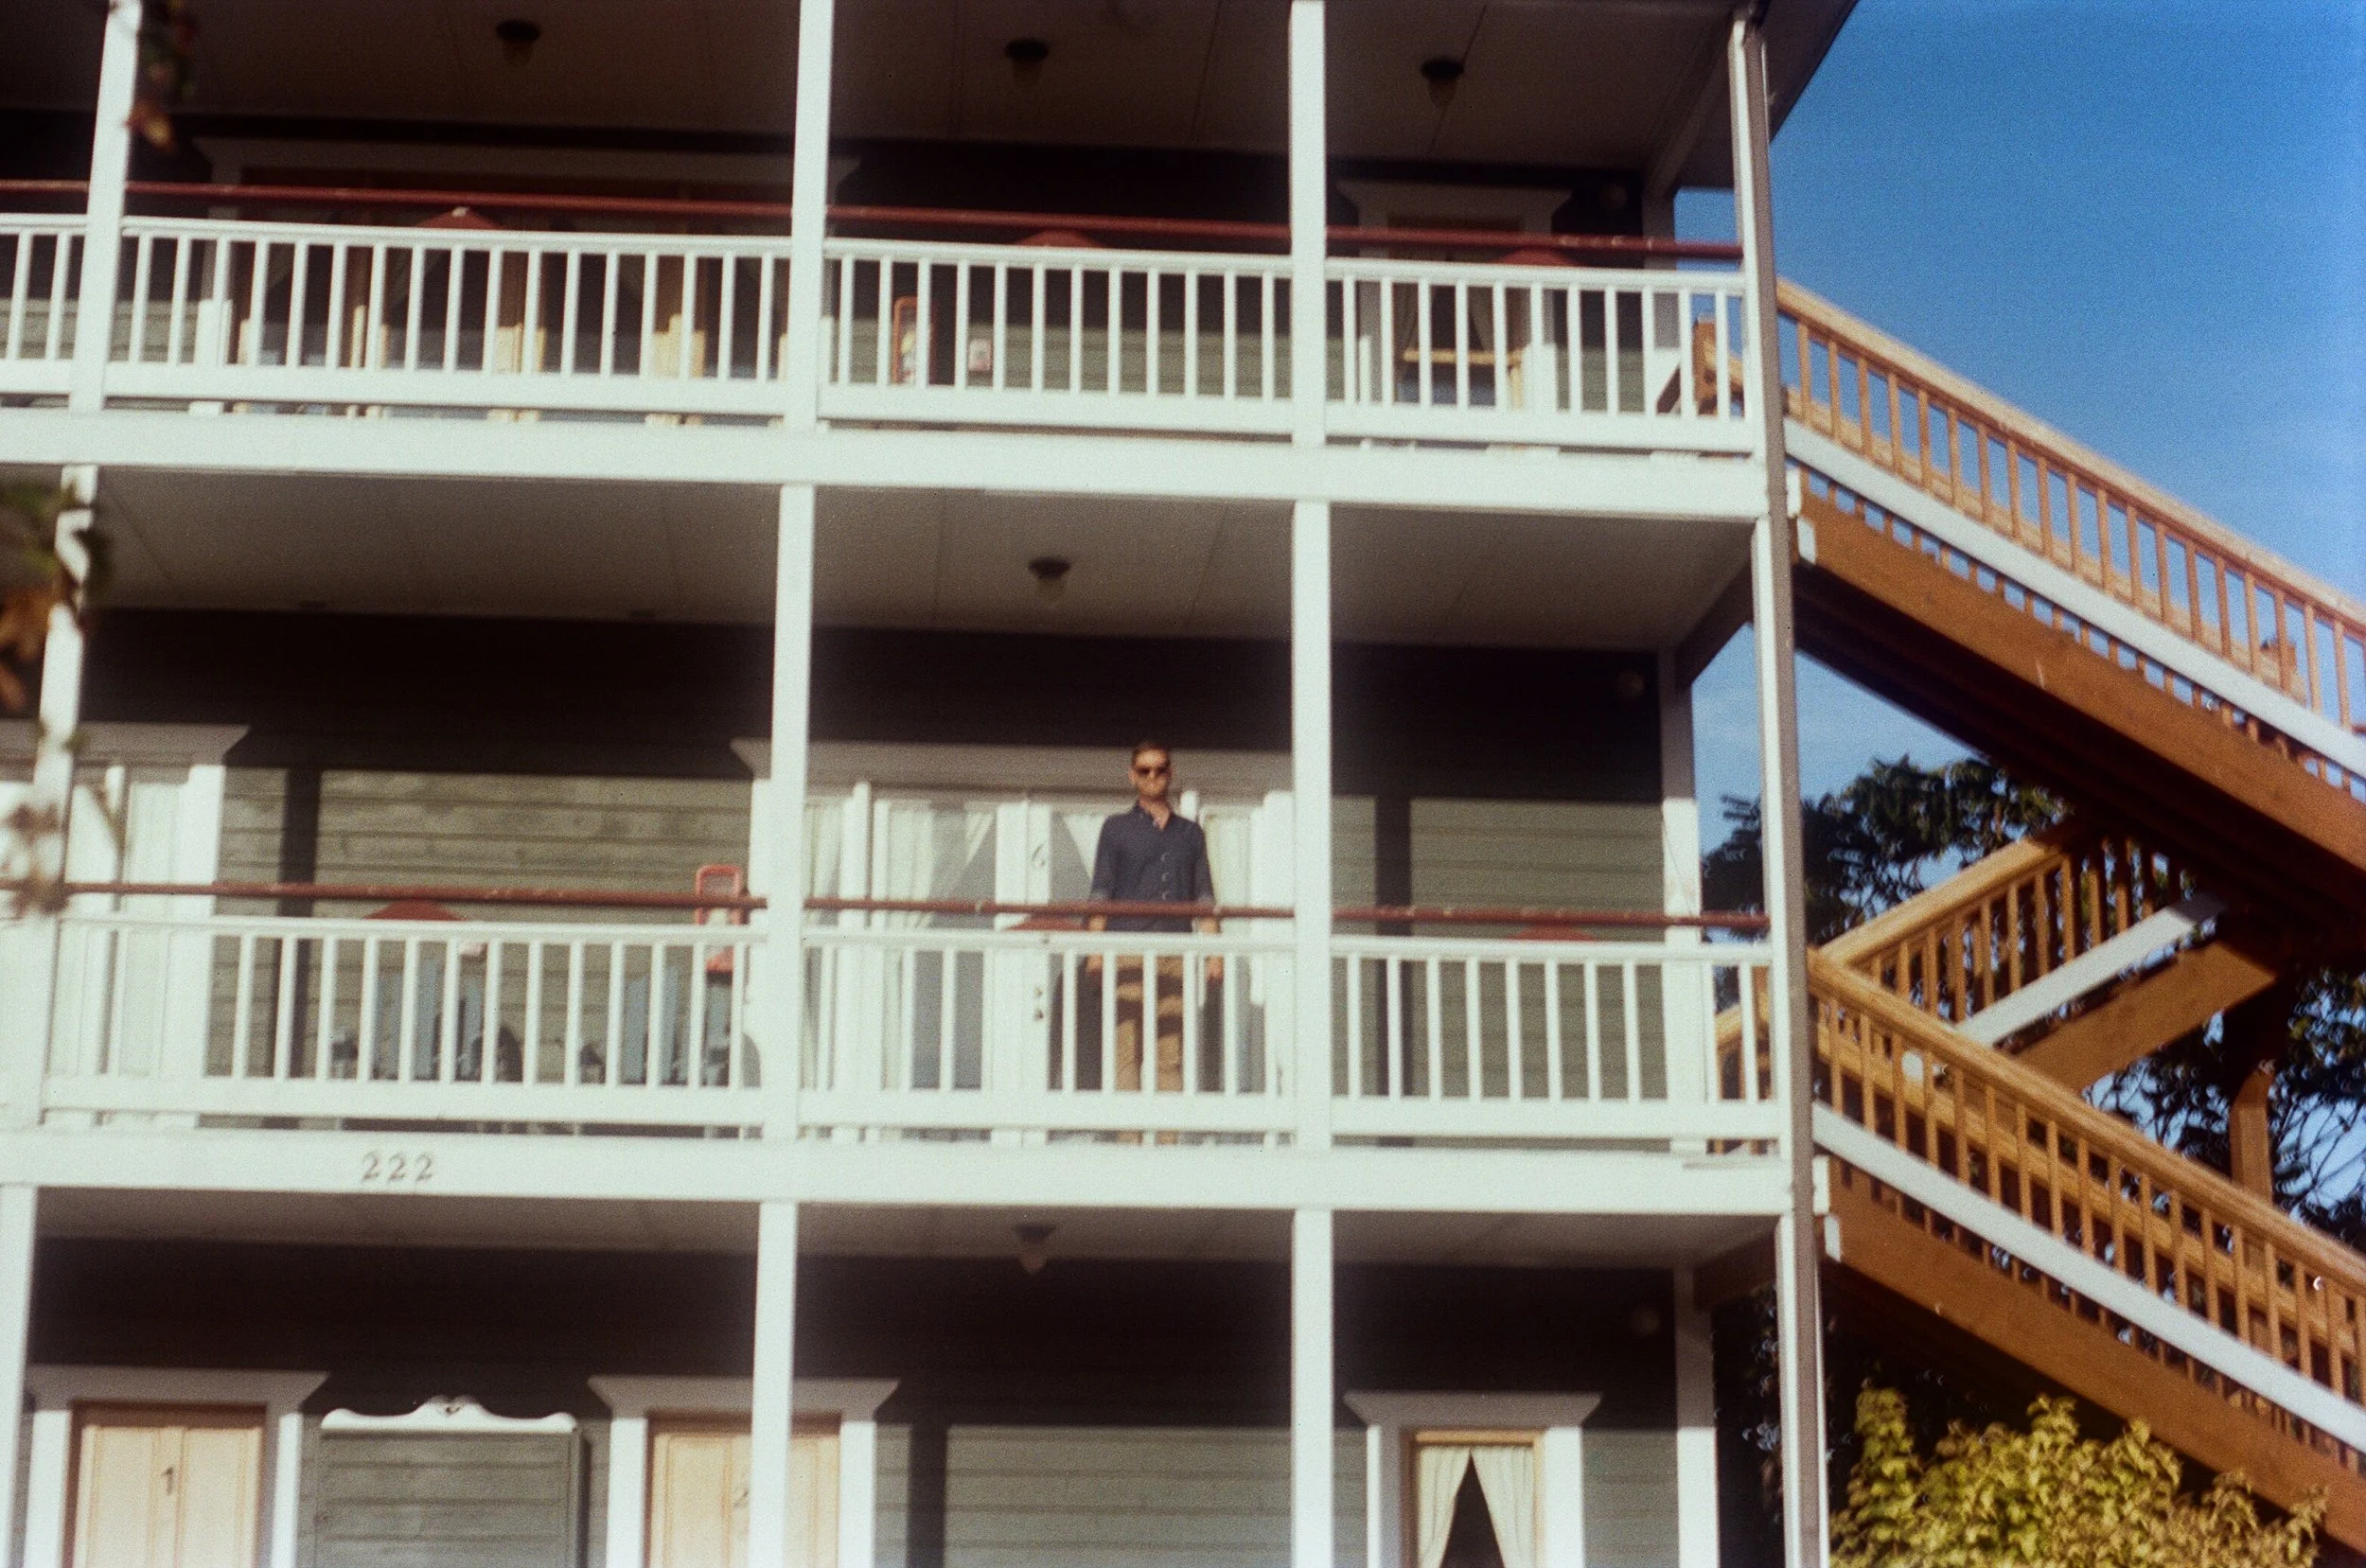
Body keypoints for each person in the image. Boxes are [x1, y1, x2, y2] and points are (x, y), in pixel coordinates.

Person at [1083, 741, 1219, 1096]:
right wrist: (1095, 952)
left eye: (1160, 768)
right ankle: (1129, 1147)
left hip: (1175, 955)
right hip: (1125, 952)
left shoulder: (1190, 834)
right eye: (1144, 770)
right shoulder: (1115, 829)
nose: (1153, 776)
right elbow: (1101, 892)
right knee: (1126, 1053)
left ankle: (1167, 1147)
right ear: (1133, 776)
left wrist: (1215, 955)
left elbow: (1204, 895)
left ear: (1170, 773)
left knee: (1169, 1055)